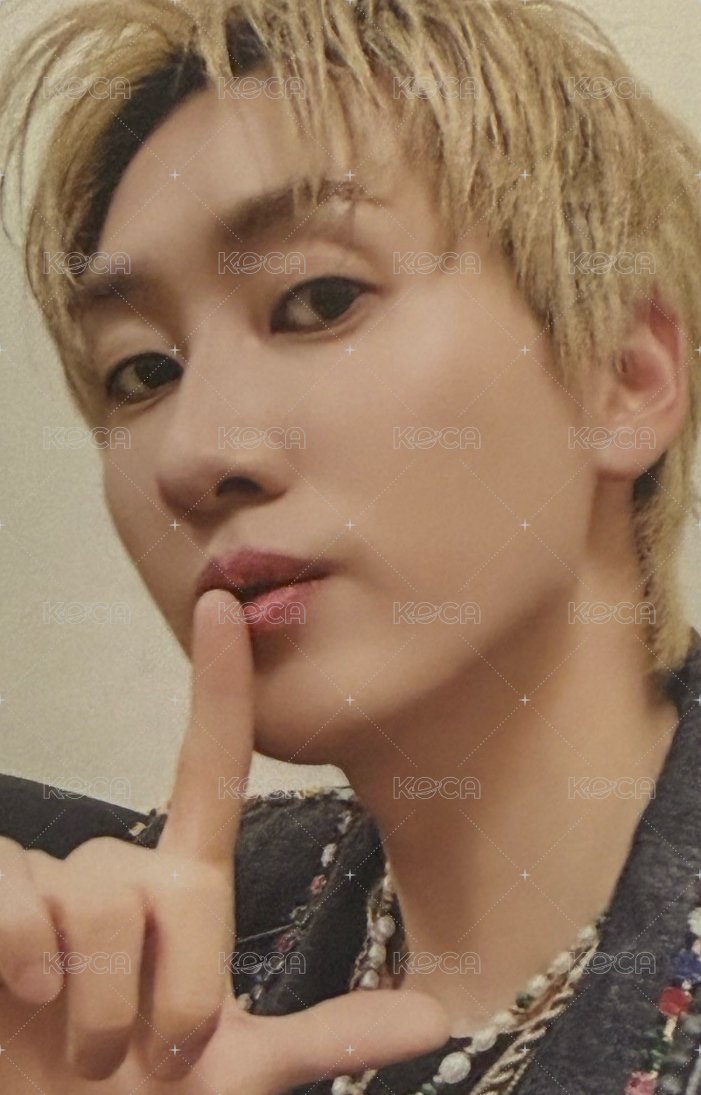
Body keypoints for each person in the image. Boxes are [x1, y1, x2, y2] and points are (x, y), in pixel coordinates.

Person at [0, 0, 700, 1091]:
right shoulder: (101, 971)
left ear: (624, 375)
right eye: (142, 371)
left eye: (317, 300)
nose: (191, 453)